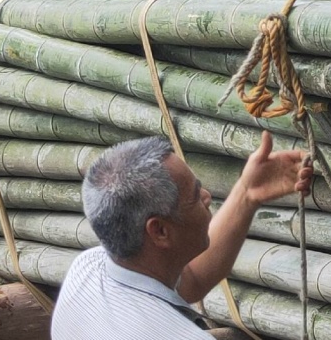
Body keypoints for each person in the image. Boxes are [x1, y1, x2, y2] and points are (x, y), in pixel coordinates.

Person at [51, 132, 312, 339]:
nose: (207, 197)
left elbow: (191, 280)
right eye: (195, 196)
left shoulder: (88, 270)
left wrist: (247, 192)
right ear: (160, 231)